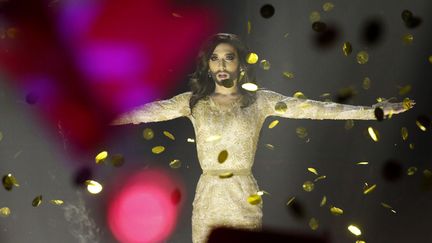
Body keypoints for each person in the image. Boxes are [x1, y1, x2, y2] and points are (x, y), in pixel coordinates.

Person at [111, 33, 414, 243]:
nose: (221, 65)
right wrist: (96, 117)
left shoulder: (260, 101)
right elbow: (147, 111)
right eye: (215, 59)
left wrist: (373, 112)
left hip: (243, 193)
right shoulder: (194, 102)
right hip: (208, 195)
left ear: (241, 64)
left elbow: (315, 109)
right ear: (208, 64)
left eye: (228, 58)